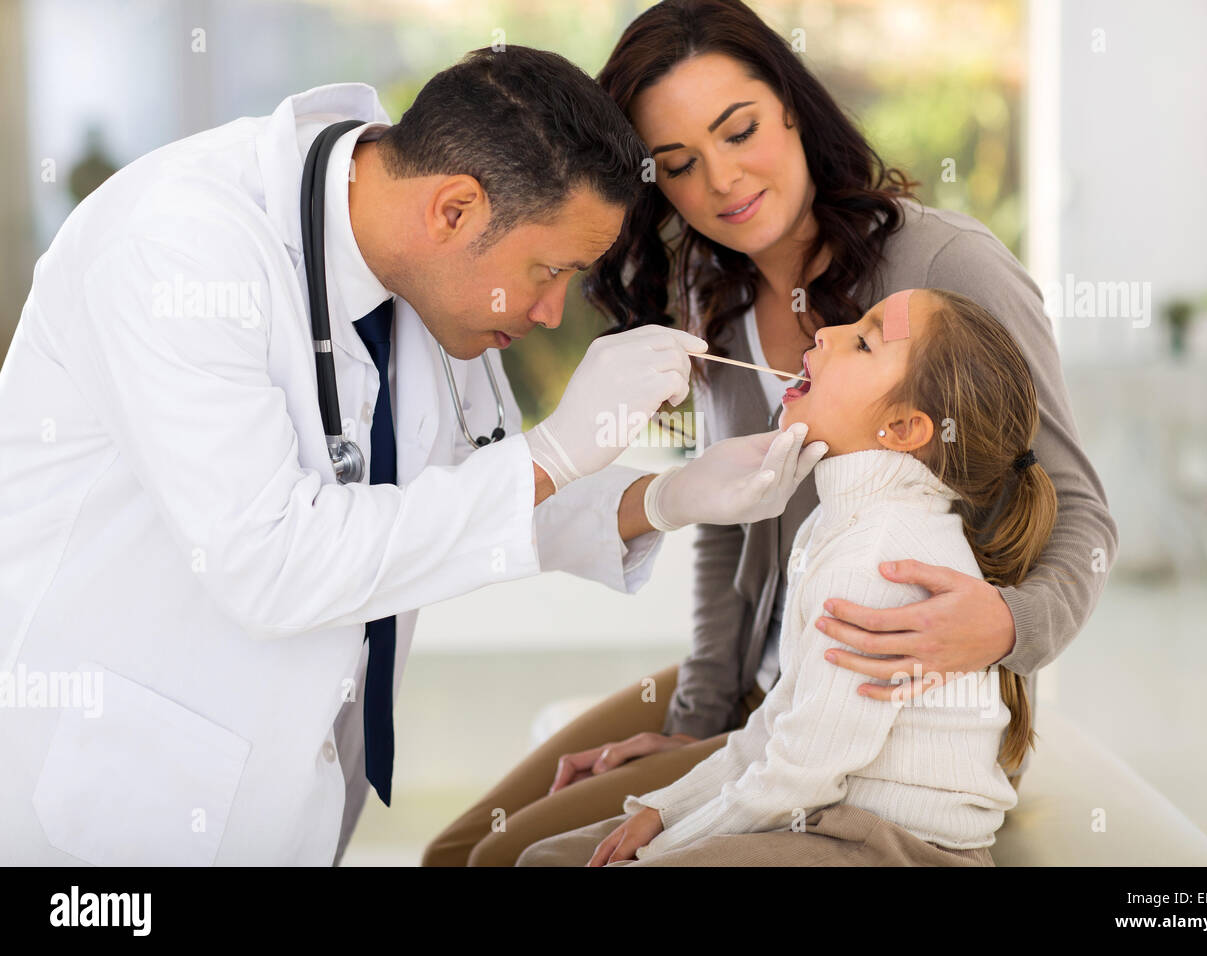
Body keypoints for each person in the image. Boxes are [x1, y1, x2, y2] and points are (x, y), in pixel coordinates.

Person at [0, 45, 825, 866]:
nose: (549, 311)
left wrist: (663, 498)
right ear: (454, 210)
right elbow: (268, 561)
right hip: (107, 811)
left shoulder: (423, 281)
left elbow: (476, 500)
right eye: (550, 270)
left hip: (284, 803)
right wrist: (557, 449)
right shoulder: (176, 248)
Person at [423, 0, 1118, 868]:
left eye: (740, 130)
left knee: (503, 862)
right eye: (679, 164)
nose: (721, 181)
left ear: (793, 106)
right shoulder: (712, 296)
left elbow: (1082, 512)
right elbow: (729, 534)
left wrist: (1007, 626)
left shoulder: (943, 274)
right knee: (457, 849)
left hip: (876, 713)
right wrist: (694, 727)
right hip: (771, 689)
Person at [518, 288, 1052, 866]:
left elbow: (801, 774)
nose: (826, 333)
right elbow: (776, 726)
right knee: (544, 859)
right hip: (828, 821)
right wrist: (665, 809)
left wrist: (661, 850)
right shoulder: (836, 526)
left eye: (864, 341)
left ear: (902, 429)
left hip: (894, 849)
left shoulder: (877, 560)